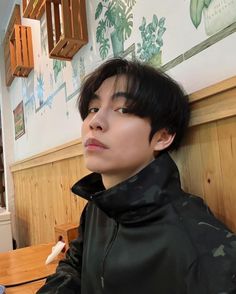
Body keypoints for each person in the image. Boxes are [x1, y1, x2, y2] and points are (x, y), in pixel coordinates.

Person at [37, 58, 236, 294]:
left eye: (122, 109)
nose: (96, 122)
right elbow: (73, 267)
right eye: (93, 108)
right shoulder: (97, 208)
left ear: (162, 137)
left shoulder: (198, 242)